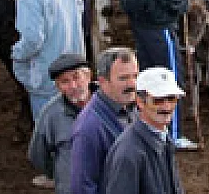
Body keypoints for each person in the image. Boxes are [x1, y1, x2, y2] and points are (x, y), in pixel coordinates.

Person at [116, 0, 196, 151]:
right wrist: (183, 3)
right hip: (160, 24)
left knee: (147, 76)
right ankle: (173, 134)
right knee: (170, 77)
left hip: (138, 23)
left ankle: (148, 125)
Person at [11, 0, 86, 116]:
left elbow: (32, 40)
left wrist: (16, 54)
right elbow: (80, 7)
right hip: (76, 66)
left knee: (49, 127)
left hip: (48, 76)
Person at [102, 67, 187, 194]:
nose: (166, 106)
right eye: (158, 100)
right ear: (140, 101)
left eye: (171, 98)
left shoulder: (163, 139)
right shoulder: (128, 153)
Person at [70, 48, 139, 194]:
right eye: (123, 78)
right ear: (103, 81)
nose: (132, 84)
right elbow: (82, 187)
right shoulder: (88, 128)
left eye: (135, 76)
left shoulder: (134, 108)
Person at [29, 54, 92, 193]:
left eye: (77, 77)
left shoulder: (110, 103)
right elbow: (38, 155)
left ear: (88, 76)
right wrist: (59, 174)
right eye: (65, 82)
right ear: (58, 86)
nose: (73, 86)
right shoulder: (50, 114)